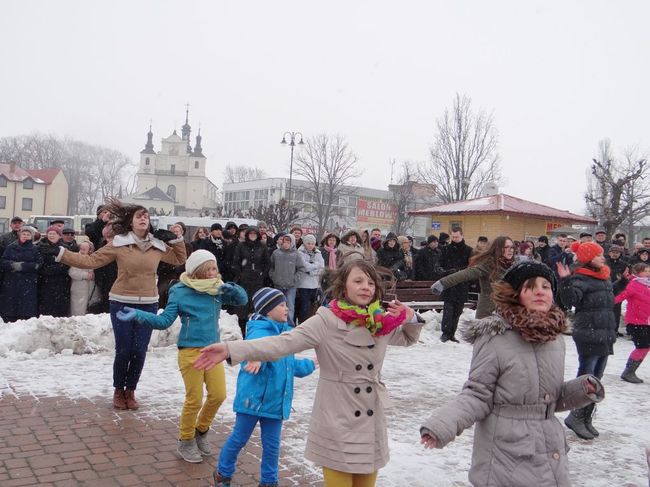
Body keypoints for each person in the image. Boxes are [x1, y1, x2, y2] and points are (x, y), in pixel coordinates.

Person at [195, 260, 424, 487]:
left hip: (371, 419)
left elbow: (406, 338)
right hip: (338, 416)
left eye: (371, 283)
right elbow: (281, 344)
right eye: (358, 281)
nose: (367, 287)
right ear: (344, 286)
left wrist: (411, 317)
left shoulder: (379, 322)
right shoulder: (325, 321)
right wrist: (230, 349)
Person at [420, 262, 604, 486]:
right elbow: (477, 394)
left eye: (546, 286)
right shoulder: (495, 338)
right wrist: (442, 425)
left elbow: (549, 398)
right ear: (515, 294)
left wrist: (583, 389)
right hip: (506, 452)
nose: (540, 291)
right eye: (530, 287)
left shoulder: (554, 339)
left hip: (548, 447)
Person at [55, 199, 187, 409]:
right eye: (139, 216)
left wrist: (177, 238)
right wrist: (61, 253)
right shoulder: (119, 243)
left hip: (148, 305)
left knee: (140, 350)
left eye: (146, 215)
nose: (143, 218)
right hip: (122, 302)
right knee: (124, 350)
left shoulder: (157, 244)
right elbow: (91, 261)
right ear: (131, 222)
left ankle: (131, 391)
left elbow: (179, 259)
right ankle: (119, 390)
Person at [118, 250, 247, 462]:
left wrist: (230, 288)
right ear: (198, 272)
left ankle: (201, 431)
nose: (214, 273)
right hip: (190, 352)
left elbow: (242, 300)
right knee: (194, 399)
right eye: (209, 270)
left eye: (215, 268)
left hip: (213, 351)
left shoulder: (217, 289)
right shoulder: (179, 291)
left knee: (218, 395)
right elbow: (164, 321)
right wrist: (138, 315)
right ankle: (186, 440)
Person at [213, 287, 317, 486]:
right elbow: (251, 349)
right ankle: (223, 473)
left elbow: (288, 364)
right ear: (267, 310)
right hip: (252, 400)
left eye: (286, 304)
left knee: (272, 445)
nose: (286, 308)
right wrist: (256, 359)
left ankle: (269, 481)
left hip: (275, 401)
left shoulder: (287, 333)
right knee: (239, 439)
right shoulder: (258, 330)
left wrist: (310, 365)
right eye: (280, 305)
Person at [557, 241, 620, 440]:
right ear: (588, 259)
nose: (603, 257)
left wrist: (624, 282)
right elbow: (569, 301)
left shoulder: (603, 276)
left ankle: (585, 417)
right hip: (589, 332)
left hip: (604, 332)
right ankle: (575, 415)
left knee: (597, 378)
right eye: (599, 255)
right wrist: (565, 281)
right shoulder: (581, 278)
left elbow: (607, 298)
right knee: (587, 377)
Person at [433, 236, 515, 323]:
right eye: (506, 247)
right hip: (488, 311)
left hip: (507, 312)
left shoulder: (513, 266)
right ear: (498, 248)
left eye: (512, 247)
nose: (511, 250)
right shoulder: (488, 264)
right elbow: (465, 274)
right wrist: (442, 283)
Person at [433, 227, 475, 343]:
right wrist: (444, 271)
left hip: (462, 284)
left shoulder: (468, 250)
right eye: (453, 237)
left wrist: (461, 273)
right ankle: (445, 333)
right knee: (448, 309)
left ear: (462, 236)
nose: (455, 239)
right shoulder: (446, 250)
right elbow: (438, 265)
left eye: (457, 237)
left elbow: (471, 267)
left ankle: (452, 333)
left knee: (458, 310)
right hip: (448, 284)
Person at [614, 262, 650, 383]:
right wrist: (608, 303)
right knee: (642, 347)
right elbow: (622, 296)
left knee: (645, 347)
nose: (648, 273)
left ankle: (631, 371)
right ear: (638, 272)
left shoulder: (646, 285)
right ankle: (628, 372)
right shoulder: (633, 284)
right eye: (646, 271)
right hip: (636, 322)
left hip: (646, 321)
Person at [232, 226, 270, 335]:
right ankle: (243, 329)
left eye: (254, 234)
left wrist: (262, 274)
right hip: (244, 279)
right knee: (244, 304)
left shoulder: (262, 246)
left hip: (257, 279)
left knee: (256, 303)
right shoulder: (241, 245)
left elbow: (267, 263)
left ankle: (255, 329)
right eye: (250, 233)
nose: (252, 235)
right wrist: (240, 274)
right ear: (248, 235)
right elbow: (236, 262)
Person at [0, 226, 41, 322]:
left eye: (28, 234)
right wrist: (13, 265)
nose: (25, 236)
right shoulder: (11, 247)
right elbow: (3, 261)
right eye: (23, 234)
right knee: (10, 307)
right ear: (19, 235)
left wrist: (23, 266)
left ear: (32, 237)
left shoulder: (35, 249)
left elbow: (38, 264)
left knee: (26, 308)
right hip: (12, 282)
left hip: (28, 283)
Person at [269, 233, 304, 323]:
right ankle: (278, 323)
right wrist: (274, 276)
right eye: (284, 241)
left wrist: (295, 279)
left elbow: (301, 268)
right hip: (278, 285)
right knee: (277, 306)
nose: (286, 244)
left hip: (291, 286)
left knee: (290, 306)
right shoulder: (276, 253)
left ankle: (289, 325)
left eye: (288, 242)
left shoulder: (296, 254)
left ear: (292, 243)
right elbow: (271, 267)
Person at [38, 226, 71, 317]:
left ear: (59, 235)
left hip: (61, 282)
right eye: (50, 233)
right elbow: (40, 264)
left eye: (54, 233)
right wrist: (48, 270)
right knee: (46, 306)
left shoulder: (65, 248)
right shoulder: (41, 247)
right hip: (45, 281)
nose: (51, 235)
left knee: (60, 307)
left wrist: (53, 269)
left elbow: (66, 264)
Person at [296, 234, 325, 324]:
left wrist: (312, 270)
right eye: (308, 243)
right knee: (304, 306)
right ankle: (302, 322)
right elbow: (304, 267)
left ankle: (310, 322)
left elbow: (321, 267)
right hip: (303, 284)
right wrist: (315, 267)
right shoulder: (300, 253)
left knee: (313, 305)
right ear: (304, 243)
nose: (311, 245)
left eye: (312, 243)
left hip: (315, 284)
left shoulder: (318, 253)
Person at [69, 241, 99, 316]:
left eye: (85, 249)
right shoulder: (76, 258)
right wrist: (85, 275)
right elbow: (72, 273)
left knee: (90, 311)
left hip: (91, 289)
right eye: (81, 248)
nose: (82, 251)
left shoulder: (94, 259)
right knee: (78, 311)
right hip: (79, 289)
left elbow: (97, 272)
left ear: (90, 250)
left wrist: (93, 275)